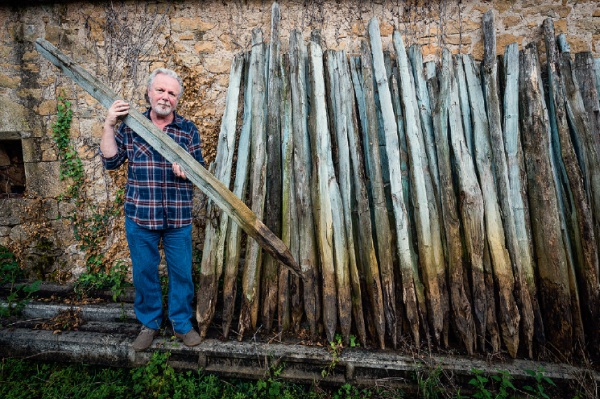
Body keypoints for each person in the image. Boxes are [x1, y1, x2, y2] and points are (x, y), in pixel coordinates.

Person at [100, 68, 205, 351]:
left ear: (177, 99)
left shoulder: (188, 129)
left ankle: (182, 324)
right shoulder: (130, 126)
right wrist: (109, 124)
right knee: (145, 272)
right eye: (160, 90)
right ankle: (149, 324)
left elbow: (202, 172)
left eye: (171, 93)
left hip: (177, 216)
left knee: (181, 272)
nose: (165, 97)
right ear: (149, 92)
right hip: (140, 215)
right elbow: (111, 162)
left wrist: (188, 172)